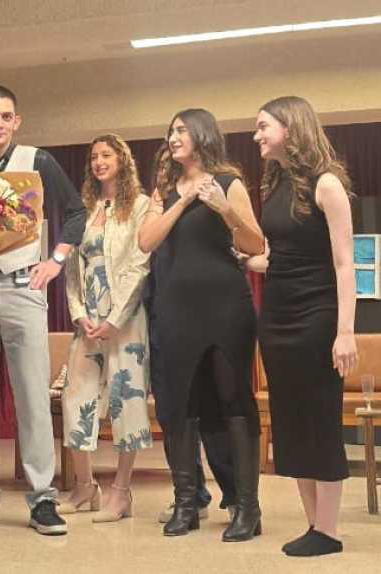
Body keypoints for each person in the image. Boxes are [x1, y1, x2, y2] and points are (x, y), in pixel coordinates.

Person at [0, 85, 85, 536]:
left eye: (5, 116)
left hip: (23, 285)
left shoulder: (38, 160)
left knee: (32, 398)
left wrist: (57, 261)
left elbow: (76, 213)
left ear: (16, 122)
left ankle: (43, 499)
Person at [138, 108, 264, 541]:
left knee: (232, 397)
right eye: (170, 131)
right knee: (180, 401)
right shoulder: (163, 191)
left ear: (202, 135)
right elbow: (146, 241)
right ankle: (186, 504)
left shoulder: (228, 182)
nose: (173, 137)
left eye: (181, 130)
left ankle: (247, 507)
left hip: (227, 304)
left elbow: (254, 244)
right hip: (177, 307)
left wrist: (223, 208)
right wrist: (184, 200)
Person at [250, 96, 356, 557]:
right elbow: (280, 256)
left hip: (316, 317)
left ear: (290, 129)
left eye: (263, 126)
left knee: (319, 419)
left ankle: (328, 531)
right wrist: (243, 259)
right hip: (277, 318)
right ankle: (314, 525)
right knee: (291, 420)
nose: (256, 135)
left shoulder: (326, 184)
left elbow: (344, 263)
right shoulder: (276, 184)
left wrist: (345, 332)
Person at [58, 134, 150, 522]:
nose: (99, 161)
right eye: (94, 156)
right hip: (88, 321)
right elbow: (72, 268)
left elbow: (140, 265)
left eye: (106, 155)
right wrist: (79, 312)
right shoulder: (84, 209)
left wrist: (115, 318)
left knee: (126, 400)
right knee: (75, 397)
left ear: (122, 160)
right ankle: (85, 487)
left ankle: (121, 492)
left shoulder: (141, 206)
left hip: (125, 320)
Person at [143, 142, 237, 524]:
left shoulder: (211, 195)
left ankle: (235, 495)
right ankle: (191, 496)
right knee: (172, 412)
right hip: (163, 314)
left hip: (205, 314)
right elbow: (145, 246)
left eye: (175, 164)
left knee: (213, 410)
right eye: (163, 165)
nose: (169, 170)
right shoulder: (159, 202)